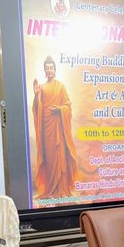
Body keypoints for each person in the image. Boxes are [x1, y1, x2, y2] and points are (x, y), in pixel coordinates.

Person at [30, 55, 77, 199]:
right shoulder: (42, 88)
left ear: (55, 70)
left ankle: (62, 189)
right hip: (47, 129)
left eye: (51, 68)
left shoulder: (60, 86)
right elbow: (37, 108)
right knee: (50, 159)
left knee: (61, 156)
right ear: (45, 71)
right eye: (47, 68)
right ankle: (50, 189)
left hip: (59, 128)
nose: (49, 70)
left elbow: (68, 105)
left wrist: (60, 109)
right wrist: (36, 95)